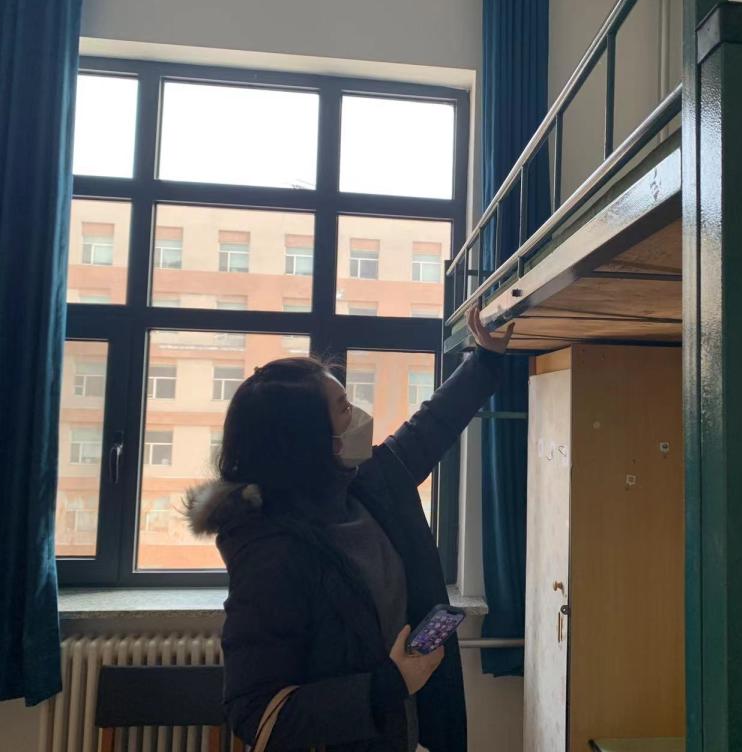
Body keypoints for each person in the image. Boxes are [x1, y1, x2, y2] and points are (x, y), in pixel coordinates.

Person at [184, 308, 513, 752]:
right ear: (308, 440)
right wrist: (388, 684)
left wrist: (486, 356)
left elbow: (432, 426)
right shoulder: (270, 554)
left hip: (407, 734)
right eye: (343, 408)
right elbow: (256, 715)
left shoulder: (368, 481)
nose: (359, 415)